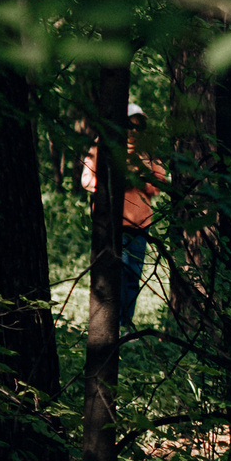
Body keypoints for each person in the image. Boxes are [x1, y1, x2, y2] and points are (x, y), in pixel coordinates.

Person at [79, 102, 161, 328]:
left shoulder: (147, 150)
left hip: (140, 225)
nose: (133, 131)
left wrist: (141, 179)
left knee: (132, 277)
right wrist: (113, 184)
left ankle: (125, 324)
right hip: (112, 224)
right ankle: (106, 324)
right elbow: (87, 180)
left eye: (138, 126)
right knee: (112, 276)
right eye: (129, 125)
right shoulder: (101, 146)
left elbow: (159, 183)